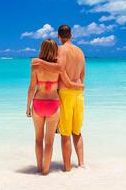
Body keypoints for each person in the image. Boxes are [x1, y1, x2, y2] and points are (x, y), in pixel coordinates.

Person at [26, 39, 84, 175]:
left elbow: (31, 88)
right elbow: (67, 83)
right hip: (53, 104)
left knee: (38, 139)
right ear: (54, 51)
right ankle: (46, 171)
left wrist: (28, 106)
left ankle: (39, 169)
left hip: (38, 103)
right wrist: (80, 86)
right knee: (49, 142)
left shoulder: (35, 66)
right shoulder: (58, 67)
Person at [56, 24, 86, 171]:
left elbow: (60, 70)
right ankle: (81, 164)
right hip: (79, 94)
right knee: (77, 131)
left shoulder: (61, 49)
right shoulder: (80, 51)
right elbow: (82, 75)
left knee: (65, 133)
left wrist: (68, 84)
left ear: (59, 36)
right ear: (71, 35)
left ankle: (67, 169)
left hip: (66, 93)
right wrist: (77, 85)